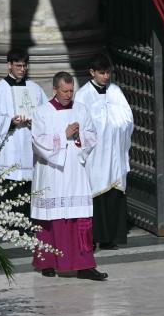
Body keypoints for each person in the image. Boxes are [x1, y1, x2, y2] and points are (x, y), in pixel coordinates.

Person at [30, 71, 107, 281]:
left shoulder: (81, 110)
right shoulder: (41, 112)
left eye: (71, 90)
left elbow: (92, 135)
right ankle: (48, 262)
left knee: (80, 219)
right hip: (52, 173)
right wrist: (63, 136)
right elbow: (38, 141)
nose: (68, 94)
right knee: (51, 219)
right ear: (54, 89)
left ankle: (84, 266)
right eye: (64, 91)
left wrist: (79, 136)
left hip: (76, 171)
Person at [74, 53, 133, 250]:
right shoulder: (83, 95)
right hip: (96, 155)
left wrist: (113, 120)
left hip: (115, 151)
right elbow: (84, 124)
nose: (106, 77)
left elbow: (127, 117)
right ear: (92, 72)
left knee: (114, 193)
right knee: (96, 194)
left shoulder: (115, 91)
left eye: (108, 73)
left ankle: (110, 238)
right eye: (101, 73)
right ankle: (93, 237)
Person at [0, 49, 47, 211]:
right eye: (18, 65)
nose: (22, 69)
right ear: (9, 65)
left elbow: (46, 118)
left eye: (25, 66)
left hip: (28, 150)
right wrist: (9, 122)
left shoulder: (35, 89)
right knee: (5, 195)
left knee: (26, 197)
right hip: (7, 151)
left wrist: (35, 121)